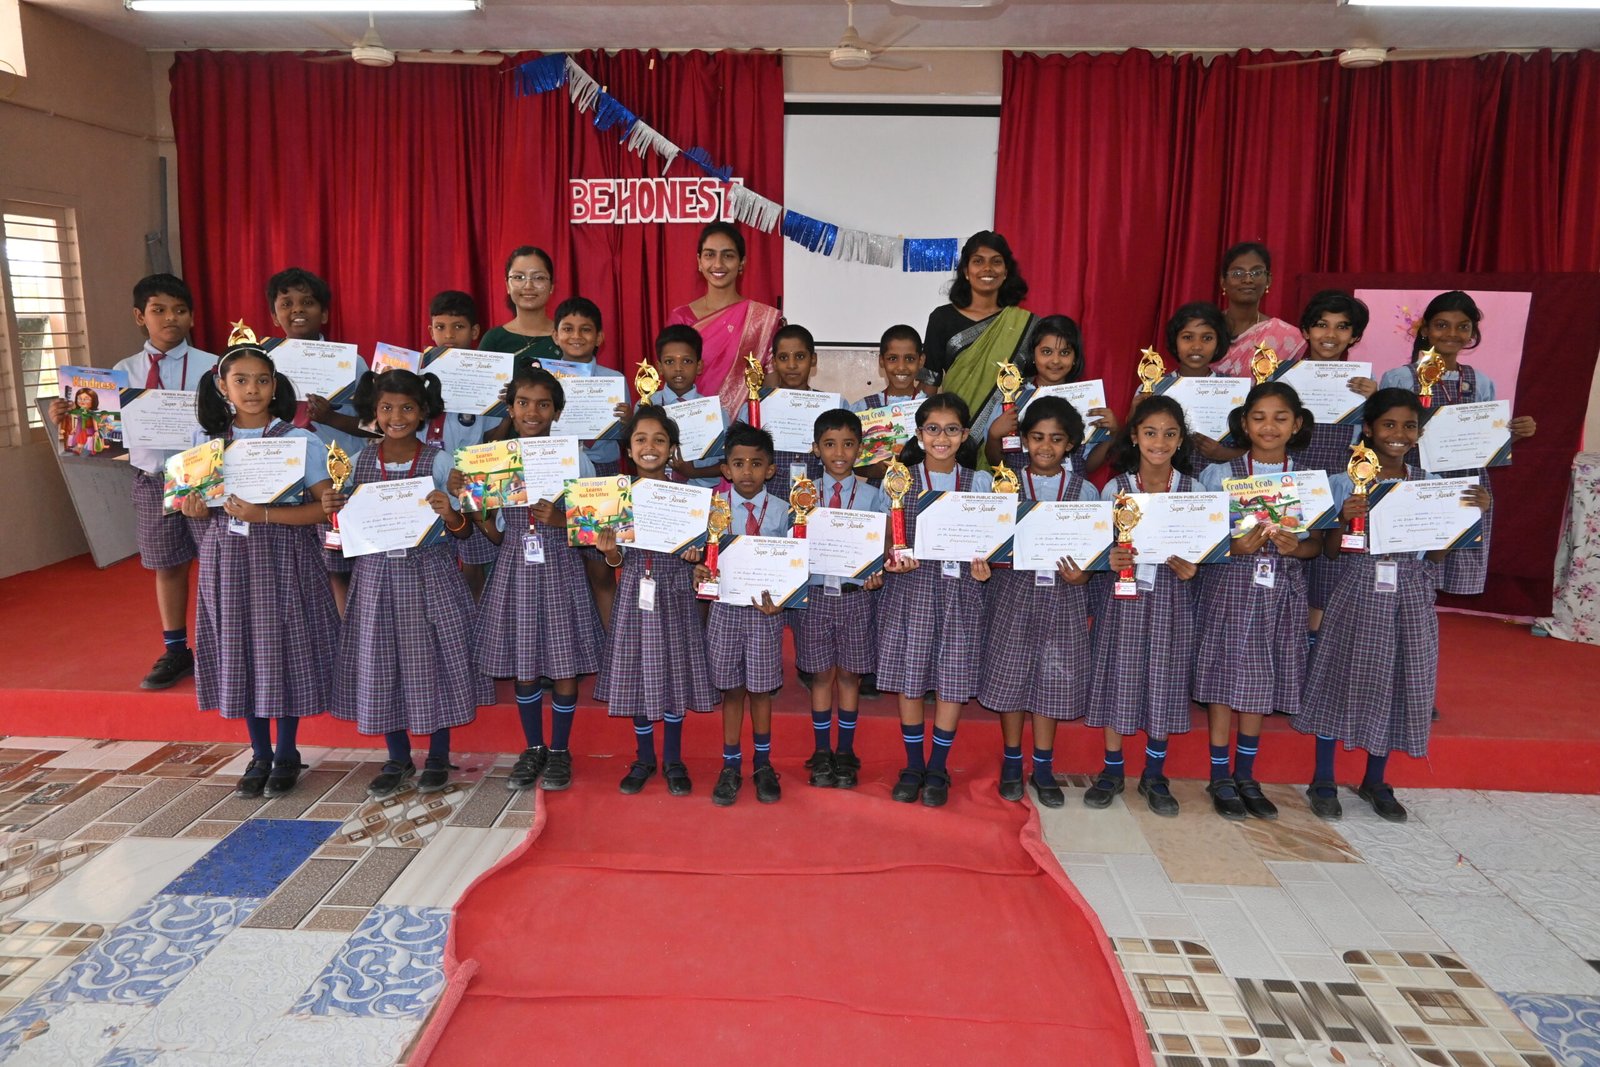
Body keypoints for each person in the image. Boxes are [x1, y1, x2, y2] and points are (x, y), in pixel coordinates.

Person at [1297, 389, 1490, 823]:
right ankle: (1323, 778)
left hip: (1412, 592)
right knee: (1339, 677)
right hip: (1357, 587)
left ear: (1419, 433)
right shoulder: (1344, 482)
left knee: (1399, 679)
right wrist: (1344, 517)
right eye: (1388, 424)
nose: (1398, 433)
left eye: (1409, 426)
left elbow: (1436, 556)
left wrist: (1467, 516)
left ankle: (1376, 780)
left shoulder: (1432, 485)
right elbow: (1331, 552)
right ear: (1368, 429)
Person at [181, 337, 336, 799]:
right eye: (241, 380)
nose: (252, 390)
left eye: (262, 380)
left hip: (285, 558)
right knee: (240, 649)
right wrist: (193, 509)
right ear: (222, 386)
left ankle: (286, 752)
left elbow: (325, 509)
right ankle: (258, 752)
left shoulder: (300, 440)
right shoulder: (207, 445)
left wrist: (264, 514)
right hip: (227, 561)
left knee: (282, 650)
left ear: (275, 385)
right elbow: (198, 505)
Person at [324, 369, 490, 797]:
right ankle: (397, 757)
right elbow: (343, 531)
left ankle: (437, 755)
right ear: (373, 412)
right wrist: (333, 509)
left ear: (423, 412)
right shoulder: (357, 462)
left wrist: (450, 513)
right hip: (376, 580)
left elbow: (464, 533)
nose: (396, 417)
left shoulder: (440, 461)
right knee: (381, 664)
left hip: (431, 579)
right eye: (386, 408)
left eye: (407, 408)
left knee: (435, 663)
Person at [49, 274, 217, 689]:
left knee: (219, 565)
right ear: (140, 317)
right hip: (152, 479)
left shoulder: (214, 367)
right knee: (167, 565)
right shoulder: (120, 374)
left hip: (205, 478)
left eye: (180, 310)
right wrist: (70, 421)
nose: (170, 318)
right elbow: (104, 441)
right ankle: (176, 650)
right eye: (159, 310)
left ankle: (223, 646)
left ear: (192, 317)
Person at [459, 368, 605, 793]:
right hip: (514, 566)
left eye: (544, 404)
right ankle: (534, 747)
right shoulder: (494, 458)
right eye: (523, 403)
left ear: (557, 412)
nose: (533, 411)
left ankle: (559, 749)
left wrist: (561, 520)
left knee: (563, 662)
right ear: (510, 409)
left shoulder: (575, 457)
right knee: (524, 664)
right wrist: (474, 503)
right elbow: (494, 533)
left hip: (561, 566)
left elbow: (600, 525)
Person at [1195, 383, 1324, 821]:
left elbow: (1317, 545)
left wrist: (1296, 547)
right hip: (1229, 586)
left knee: (1260, 677)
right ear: (1244, 424)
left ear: (1297, 424)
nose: (1269, 426)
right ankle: (1219, 776)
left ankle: (1246, 775)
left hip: (1280, 590)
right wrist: (1233, 547)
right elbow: (1201, 538)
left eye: (1280, 418)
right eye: (1259, 417)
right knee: (1223, 675)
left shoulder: (1307, 479)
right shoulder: (1219, 474)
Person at [1082, 396, 1201, 816]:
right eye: (1150, 432)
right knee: (1119, 673)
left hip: (1171, 599)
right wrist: (1109, 558)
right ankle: (1112, 769)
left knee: (1164, 678)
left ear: (1180, 440)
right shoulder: (1115, 489)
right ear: (1134, 436)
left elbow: (1203, 550)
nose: (1159, 441)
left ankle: (1154, 774)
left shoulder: (1193, 491)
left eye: (1170, 434)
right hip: (1123, 600)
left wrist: (1194, 567)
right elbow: (1096, 547)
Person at [875, 395, 994, 808]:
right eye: (933, 429)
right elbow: (886, 541)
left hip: (962, 593)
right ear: (919, 434)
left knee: (952, 679)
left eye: (952, 429)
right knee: (910, 677)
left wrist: (986, 568)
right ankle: (913, 766)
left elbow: (992, 544)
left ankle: (938, 767)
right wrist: (892, 560)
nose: (942, 437)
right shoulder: (899, 479)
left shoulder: (980, 483)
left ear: (965, 434)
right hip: (911, 591)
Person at [978, 397, 1097, 809]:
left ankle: (1043, 766)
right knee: (1010, 673)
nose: (1046, 446)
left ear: (1071, 444)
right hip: (1011, 592)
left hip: (1063, 593)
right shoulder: (1002, 483)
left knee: (1052, 675)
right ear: (1024, 440)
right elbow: (985, 537)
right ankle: (1013, 761)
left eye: (1056, 439)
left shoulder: (1086, 490)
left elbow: (1094, 549)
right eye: (1037, 437)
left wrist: (1084, 574)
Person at [1378, 290, 1538, 596]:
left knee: (1448, 563)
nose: (1451, 333)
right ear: (1425, 330)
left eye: (1462, 326)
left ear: (1472, 333)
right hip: (1413, 480)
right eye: (1442, 325)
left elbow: (1486, 445)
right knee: (1405, 563)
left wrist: (1516, 433)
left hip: (1464, 483)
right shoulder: (1400, 378)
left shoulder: (1482, 382)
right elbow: (1382, 432)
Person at [594, 408, 718, 796]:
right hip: (635, 591)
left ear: (672, 449)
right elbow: (616, 560)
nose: (650, 447)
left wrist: (696, 558)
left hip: (676, 591)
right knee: (638, 672)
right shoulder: (616, 497)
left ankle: (673, 759)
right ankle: (645, 757)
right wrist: (610, 552)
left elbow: (704, 555)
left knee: (674, 672)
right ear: (629, 450)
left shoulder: (689, 499)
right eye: (641, 439)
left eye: (660, 440)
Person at [266, 266, 368, 614]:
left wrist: (331, 418)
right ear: (274, 315)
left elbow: (375, 426)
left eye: (307, 302)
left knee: (341, 567)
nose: (297, 309)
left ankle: (348, 631)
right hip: (286, 479)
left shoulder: (351, 363)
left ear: (324, 313)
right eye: (287, 303)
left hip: (342, 478)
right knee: (297, 568)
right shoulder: (263, 366)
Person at [698, 423, 790, 807]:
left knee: (761, 690)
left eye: (756, 463)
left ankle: (763, 764)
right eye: (738, 464)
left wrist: (785, 597)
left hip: (765, 613)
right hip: (724, 610)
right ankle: (730, 764)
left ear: (771, 469)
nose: (747, 471)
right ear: (726, 470)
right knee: (732, 689)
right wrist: (699, 570)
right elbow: (701, 559)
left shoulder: (787, 511)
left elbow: (794, 563)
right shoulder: (712, 510)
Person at [795, 409, 886, 790]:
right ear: (816, 449)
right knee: (821, 676)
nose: (839, 453)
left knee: (850, 675)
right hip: (815, 595)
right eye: (830, 444)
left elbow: (882, 544)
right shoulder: (801, 494)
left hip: (856, 596)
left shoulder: (874, 496)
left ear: (859, 450)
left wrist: (878, 571)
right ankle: (821, 751)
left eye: (848, 444)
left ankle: (845, 751)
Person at [1288, 290, 1376, 638]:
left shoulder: (1365, 386)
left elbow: (1381, 438)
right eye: (1321, 325)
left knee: (1326, 576)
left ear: (1354, 336)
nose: (1330, 335)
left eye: (1342, 327)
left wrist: (1375, 401)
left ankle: (1317, 650)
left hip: (1339, 489)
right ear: (1305, 331)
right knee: (1289, 565)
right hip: (1291, 486)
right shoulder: (1284, 378)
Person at [549, 296, 630, 627]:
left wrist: (628, 423)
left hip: (603, 477)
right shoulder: (543, 379)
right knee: (560, 575)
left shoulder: (615, 380)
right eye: (567, 329)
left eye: (585, 329)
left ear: (599, 337)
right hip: (556, 476)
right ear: (555, 335)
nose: (576, 336)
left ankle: (613, 649)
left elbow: (628, 440)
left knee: (601, 572)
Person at [666, 221, 782, 420]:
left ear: (741, 263)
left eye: (728, 255)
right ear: (699, 261)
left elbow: (770, 385)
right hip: (691, 425)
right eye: (709, 255)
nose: (718, 264)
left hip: (745, 430)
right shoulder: (681, 317)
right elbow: (672, 379)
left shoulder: (761, 319)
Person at [423, 289, 496, 599]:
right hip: (427, 480)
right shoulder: (418, 373)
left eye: (458, 327)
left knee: (474, 566)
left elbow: (494, 436)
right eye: (441, 327)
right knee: (433, 563)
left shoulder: (488, 376)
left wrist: (502, 405)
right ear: (430, 330)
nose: (449, 335)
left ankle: (475, 622)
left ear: (475, 331)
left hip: (470, 481)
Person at [921, 231, 1036, 418]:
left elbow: (1036, 384)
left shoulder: (1025, 324)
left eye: (996, 262)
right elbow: (929, 383)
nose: (987, 268)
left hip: (1010, 427)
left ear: (1006, 271)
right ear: (966, 271)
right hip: (955, 427)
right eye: (978, 261)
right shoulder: (941, 318)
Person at [975, 313, 1105, 476]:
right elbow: (996, 463)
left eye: (1064, 353)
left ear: (1075, 357)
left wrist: (1111, 436)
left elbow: (1086, 465)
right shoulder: (1012, 401)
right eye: (1046, 352)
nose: (1055, 360)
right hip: (1020, 488)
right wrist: (994, 435)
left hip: (1069, 490)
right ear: (1033, 355)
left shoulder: (1087, 400)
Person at [738, 324, 827, 502]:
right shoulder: (755, 406)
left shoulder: (830, 406)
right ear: (774, 362)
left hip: (817, 499)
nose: (792, 365)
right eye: (783, 357)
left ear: (813, 359)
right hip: (766, 500)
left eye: (800, 357)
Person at [644, 324, 724, 488]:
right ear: (659, 367)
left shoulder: (716, 412)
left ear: (699, 366)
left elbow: (728, 462)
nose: (678, 368)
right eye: (669, 361)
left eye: (687, 361)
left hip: (701, 493)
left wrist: (694, 473)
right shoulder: (646, 405)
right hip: (655, 491)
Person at [1215, 242, 1306, 377]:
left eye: (1256, 272)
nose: (1247, 279)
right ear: (1223, 281)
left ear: (1268, 280)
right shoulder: (1208, 329)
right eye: (1238, 273)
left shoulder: (1286, 336)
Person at [479, 245, 561, 375]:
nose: (528, 286)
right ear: (507, 285)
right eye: (518, 277)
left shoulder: (566, 338)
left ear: (551, 286)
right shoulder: (494, 339)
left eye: (538, 278)